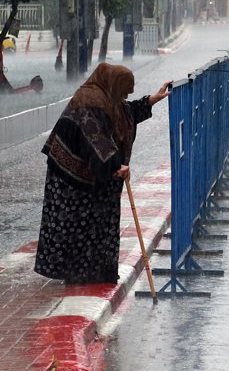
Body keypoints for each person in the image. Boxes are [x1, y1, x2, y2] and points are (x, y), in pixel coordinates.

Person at [35, 63, 172, 284]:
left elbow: (123, 111)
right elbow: (97, 141)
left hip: (89, 172)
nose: (126, 95)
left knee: (96, 220)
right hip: (70, 176)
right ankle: (80, 275)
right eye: (124, 90)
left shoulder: (106, 98)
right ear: (113, 85)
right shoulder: (89, 101)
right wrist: (116, 166)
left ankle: (96, 272)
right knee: (76, 224)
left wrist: (151, 100)